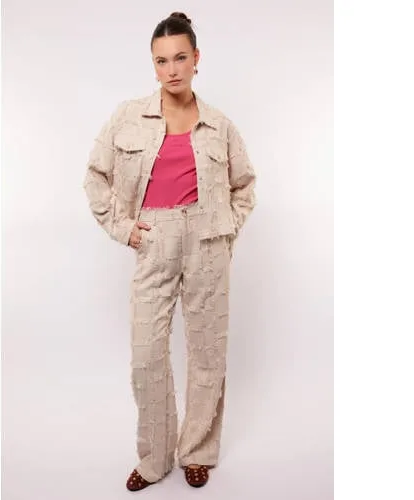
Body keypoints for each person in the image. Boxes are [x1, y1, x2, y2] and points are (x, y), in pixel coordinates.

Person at [83, 11, 256, 491]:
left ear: (197, 58)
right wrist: (124, 228)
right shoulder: (127, 116)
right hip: (153, 238)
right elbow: (95, 176)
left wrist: (225, 230)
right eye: (162, 61)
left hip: (207, 242)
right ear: (153, 65)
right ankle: (155, 457)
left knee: (207, 352)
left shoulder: (220, 126)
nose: (172, 69)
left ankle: (197, 451)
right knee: (146, 355)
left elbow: (244, 186)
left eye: (180, 58)